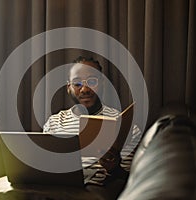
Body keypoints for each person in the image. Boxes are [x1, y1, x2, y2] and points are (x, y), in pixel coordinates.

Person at [43, 56, 141, 197]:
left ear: (102, 84)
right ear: (68, 88)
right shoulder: (54, 122)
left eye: (92, 81)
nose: (84, 89)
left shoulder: (122, 123)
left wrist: (115, 168)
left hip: (97, 188)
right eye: (77, 83)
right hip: (56, 187)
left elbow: (131, 181)